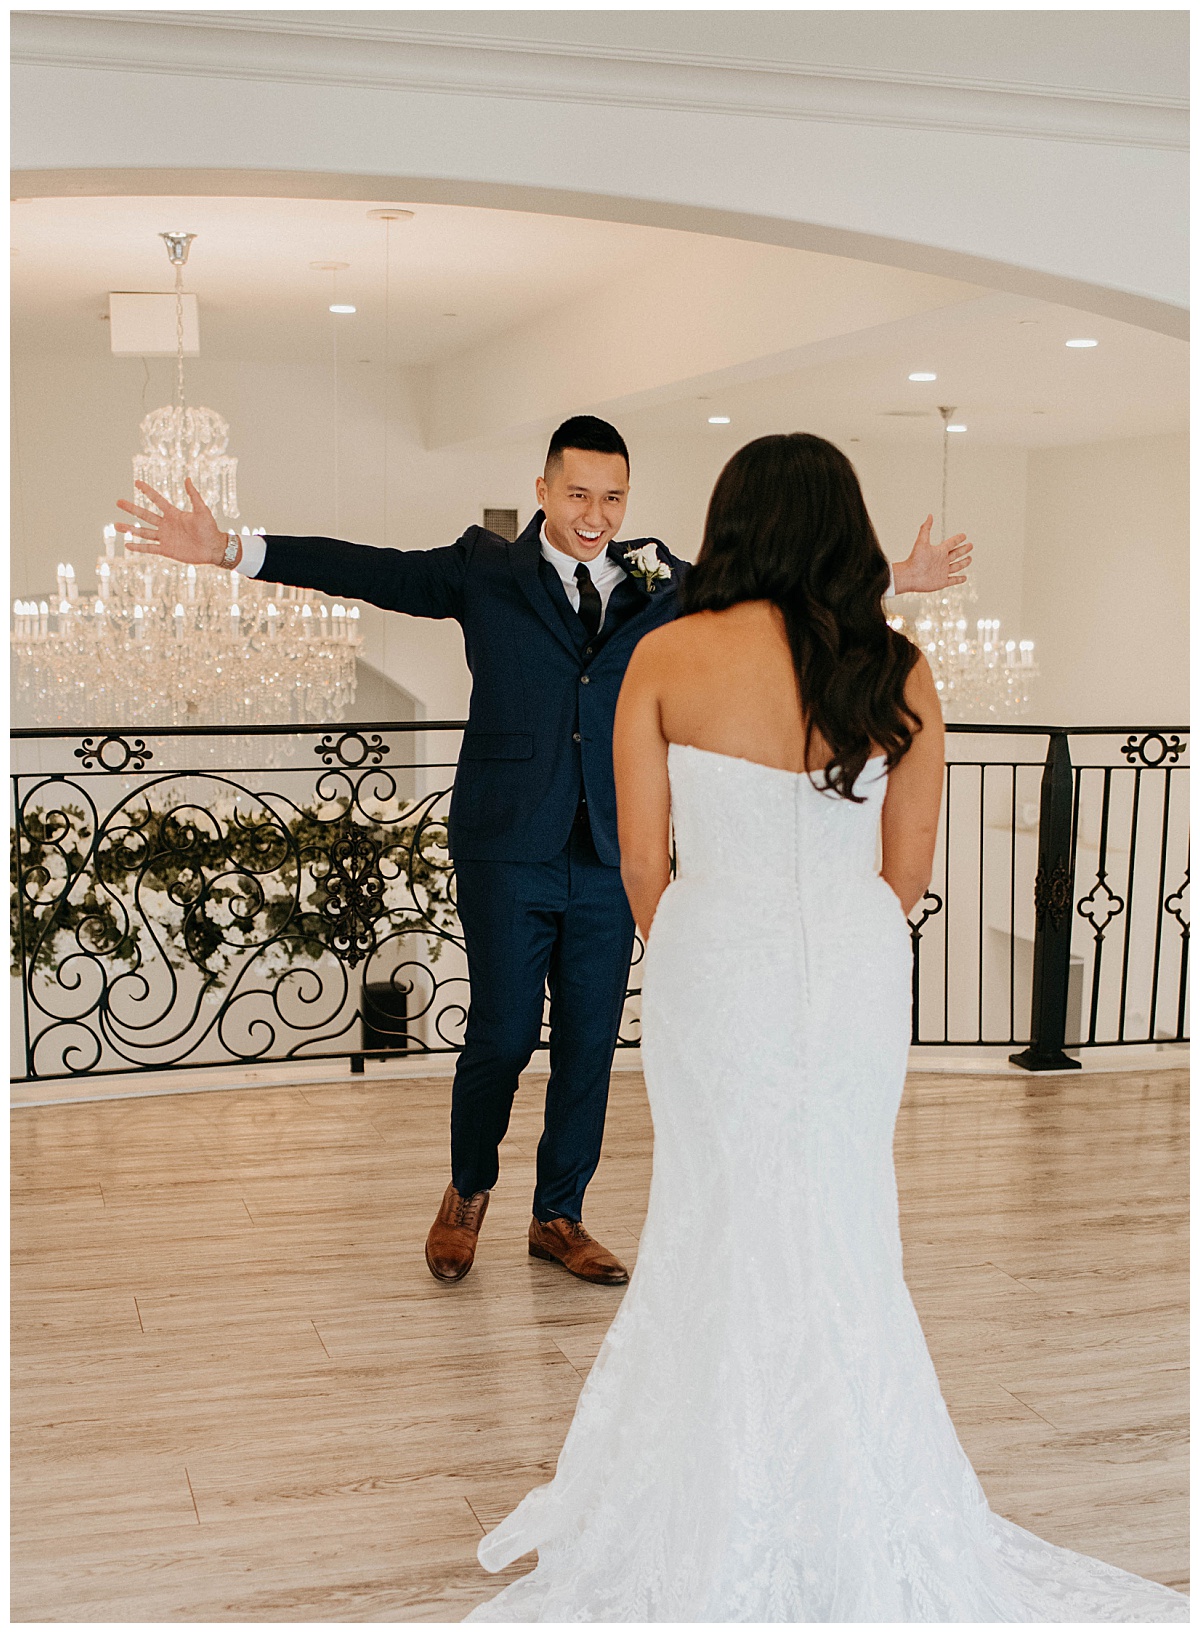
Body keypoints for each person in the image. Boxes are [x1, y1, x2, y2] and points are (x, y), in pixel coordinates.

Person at [463, 433, 1188, 1622]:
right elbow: (907, 870)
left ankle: (717, 1479)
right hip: (852, 968)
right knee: (840, 1210)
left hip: (711, 958)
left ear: (733, 526)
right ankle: (846, 1465)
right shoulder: (897, 667)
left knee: (717, 1207)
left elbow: (641, 858)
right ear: (849, 533)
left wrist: (703, 940)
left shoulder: (667, 654)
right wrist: (831, 942)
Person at [114, 417, 970, 1291]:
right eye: (578, 495)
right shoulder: (485, 568)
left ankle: (559, 1213)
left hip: (612, 846)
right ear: (542, 491)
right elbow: (371, 569)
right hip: (509, 843)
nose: (596, 515)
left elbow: (776, 584)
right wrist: (229, 549)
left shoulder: (661, 577)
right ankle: (469, 1188)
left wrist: (899, 579)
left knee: (591, 1044)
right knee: (502, 1034)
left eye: (613, 497)